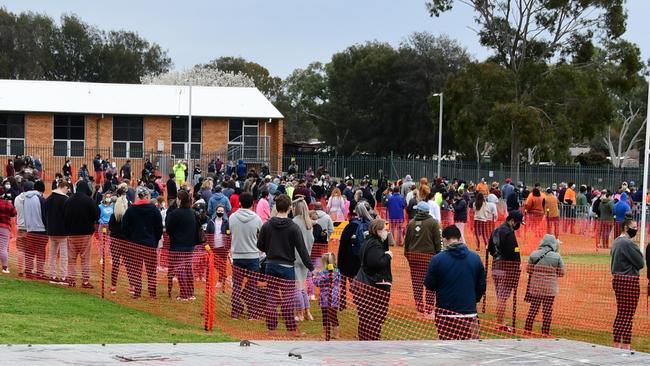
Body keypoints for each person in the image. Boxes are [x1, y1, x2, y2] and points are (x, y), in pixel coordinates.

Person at [257, 194, 313, 336]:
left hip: (271, 264)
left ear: (276, 207)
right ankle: (291, 328)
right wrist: (311, 267)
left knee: (271, 296)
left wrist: (271, 248)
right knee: (288, 298)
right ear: (289, 208)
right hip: (287, 266)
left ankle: (271, 327)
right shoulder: (293, 227)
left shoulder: (267, 225)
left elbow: (260, 245)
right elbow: (302, 250)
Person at [425, 225, 485, 340]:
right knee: (468, 350)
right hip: (469, 313)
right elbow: (481, 285)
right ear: (460, 238)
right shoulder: (475, 258)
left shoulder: (437, 259)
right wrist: (473, 299)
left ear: (445, 239)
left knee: (447, 350)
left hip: (445, 314)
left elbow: (430, 285)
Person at [353, 218, 393, 341]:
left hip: (369, 283)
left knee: (367, 316)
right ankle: (372, 340)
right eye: (384, 230)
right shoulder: (374, 244)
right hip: (375, 284)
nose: (386, 232)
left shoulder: (368, 242)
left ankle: (367, 338)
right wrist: (387, 256)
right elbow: (376, 263)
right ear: (378, 230)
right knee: (375, 316)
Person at [122, 186, 163, 299]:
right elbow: (159, 228)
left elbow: (124, 227)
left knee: (136, 269)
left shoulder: (131, 210)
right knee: (151, 270)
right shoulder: (154, 210)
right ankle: (152, 293)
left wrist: (131, 238)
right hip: (150, 244)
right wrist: (155, 240)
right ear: (147, 196)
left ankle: (137, 292)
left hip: (136, 244)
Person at [610, 215, 644, 350]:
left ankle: (617, 343)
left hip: (618, 280)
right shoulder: (628, 243)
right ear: (626, 228)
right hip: (629, 281)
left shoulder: (616, 241)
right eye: (634, 227)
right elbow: (640, 263)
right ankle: (626, 345)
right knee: (627, 314)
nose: (636, 230)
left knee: (621, 313)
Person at [227, 191, 263, 319]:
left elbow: (231, 232)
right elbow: (260, 236)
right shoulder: (257, 218)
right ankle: (253, 313)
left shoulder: (232, 217)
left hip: (237, 255)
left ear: (240, 203)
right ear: (253, 203)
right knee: (252, 286)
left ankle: (235, 312)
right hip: (253, 256)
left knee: (237, 285)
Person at [404, 201, 441, 318]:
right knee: (430, 283)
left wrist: (408, 256)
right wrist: (438, 255)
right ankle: (429, 311)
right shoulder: (433, 223)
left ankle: (419, 310)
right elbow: (437, 242)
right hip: (429, 257)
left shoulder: (411, 223)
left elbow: (407, 242)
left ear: (419, 211)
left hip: (414, 257)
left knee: (416, 283)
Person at [488, 210, 524, 332]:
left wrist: (497, 256)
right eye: (517, 222)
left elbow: (490, 248)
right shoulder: (509, 233)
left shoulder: (496, 230)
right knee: (503, 297)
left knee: (500, 296)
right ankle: (500, 323)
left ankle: (500, 320)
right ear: (512, 221)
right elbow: (513, 252)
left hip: (496, 265)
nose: (518, 225)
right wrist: (516, 265)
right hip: (506, 268)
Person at [524, 234, 565, 335]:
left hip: (536, 287)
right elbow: (562, 273)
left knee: (533, 308)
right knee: (547, 310)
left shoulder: (534, 254)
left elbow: (528, 270)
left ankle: (527, 329)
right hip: (550, 289)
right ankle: (545, 331)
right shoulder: (557, 256)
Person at [337, 201, 373, 310]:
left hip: (351, 261)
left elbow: (342, 246)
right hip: (368, 262)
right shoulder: (372, 225)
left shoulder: (350, 226)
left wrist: (340, 265)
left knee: (355, 286)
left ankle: (357, 304)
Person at [64, 181, 100, 288]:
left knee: (71, 259)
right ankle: (85, 281)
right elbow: (96, 215)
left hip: (71, 235)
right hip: (85, 234)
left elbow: (64, 217)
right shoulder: (89, 201)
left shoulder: (69, 200)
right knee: (85, 259)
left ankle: (71, 279)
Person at [165, 190, 198, 301]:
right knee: (188, 268)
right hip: (189, 245)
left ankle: (184, 293)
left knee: (180, 269)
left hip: (178, 245)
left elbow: (168, 229)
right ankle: (190, 292)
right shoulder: (192, 212)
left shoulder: (175, 213)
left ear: (180, 200)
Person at [292, 198, 316, 322]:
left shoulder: (294, 222)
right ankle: (307, 312)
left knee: (297, 288)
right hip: (306, 258)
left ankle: (300, 313)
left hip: (295, 257)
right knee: (303, 287)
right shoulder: (309, 223)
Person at [45, 181, 69, 284]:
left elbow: (45, 214)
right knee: (64, 255)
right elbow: (67, 216)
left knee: (52, 254)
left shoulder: (49, 199)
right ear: (63, 187)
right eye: (67, 188)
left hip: (51, 231)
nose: (68, 190)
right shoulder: (65, 200)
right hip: (63, 232)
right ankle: (64, 277)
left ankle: (52, 275)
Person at [23, 180, 47, 280]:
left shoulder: (25, 198)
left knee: (29, 251)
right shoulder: (40, 199)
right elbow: (45, 215)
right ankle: (40, 272)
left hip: (29, 229)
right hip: (41, 229)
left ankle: (28, 271)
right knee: (41, 252)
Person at [314, 252, 342, 340]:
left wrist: (314, 276)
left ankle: (325, 333)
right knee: (334, 315)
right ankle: (336, 334)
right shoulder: (337, 272)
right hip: (334, 298)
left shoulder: (323, 273)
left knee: (325, 316)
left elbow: (317, 283)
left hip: (325, 299)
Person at [108, 191, 128, 294]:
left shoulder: (113, 216)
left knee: (115, 264)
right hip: (126, 242)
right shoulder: (128, 217)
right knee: (129, 264)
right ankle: (132, 286)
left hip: (115, 242)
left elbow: (110, 228)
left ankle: (113, 286)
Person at [0, 191, 16, 273]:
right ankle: (5, 268)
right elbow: (14, 213)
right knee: (3, 248)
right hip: (4, 227)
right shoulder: (7, 203)